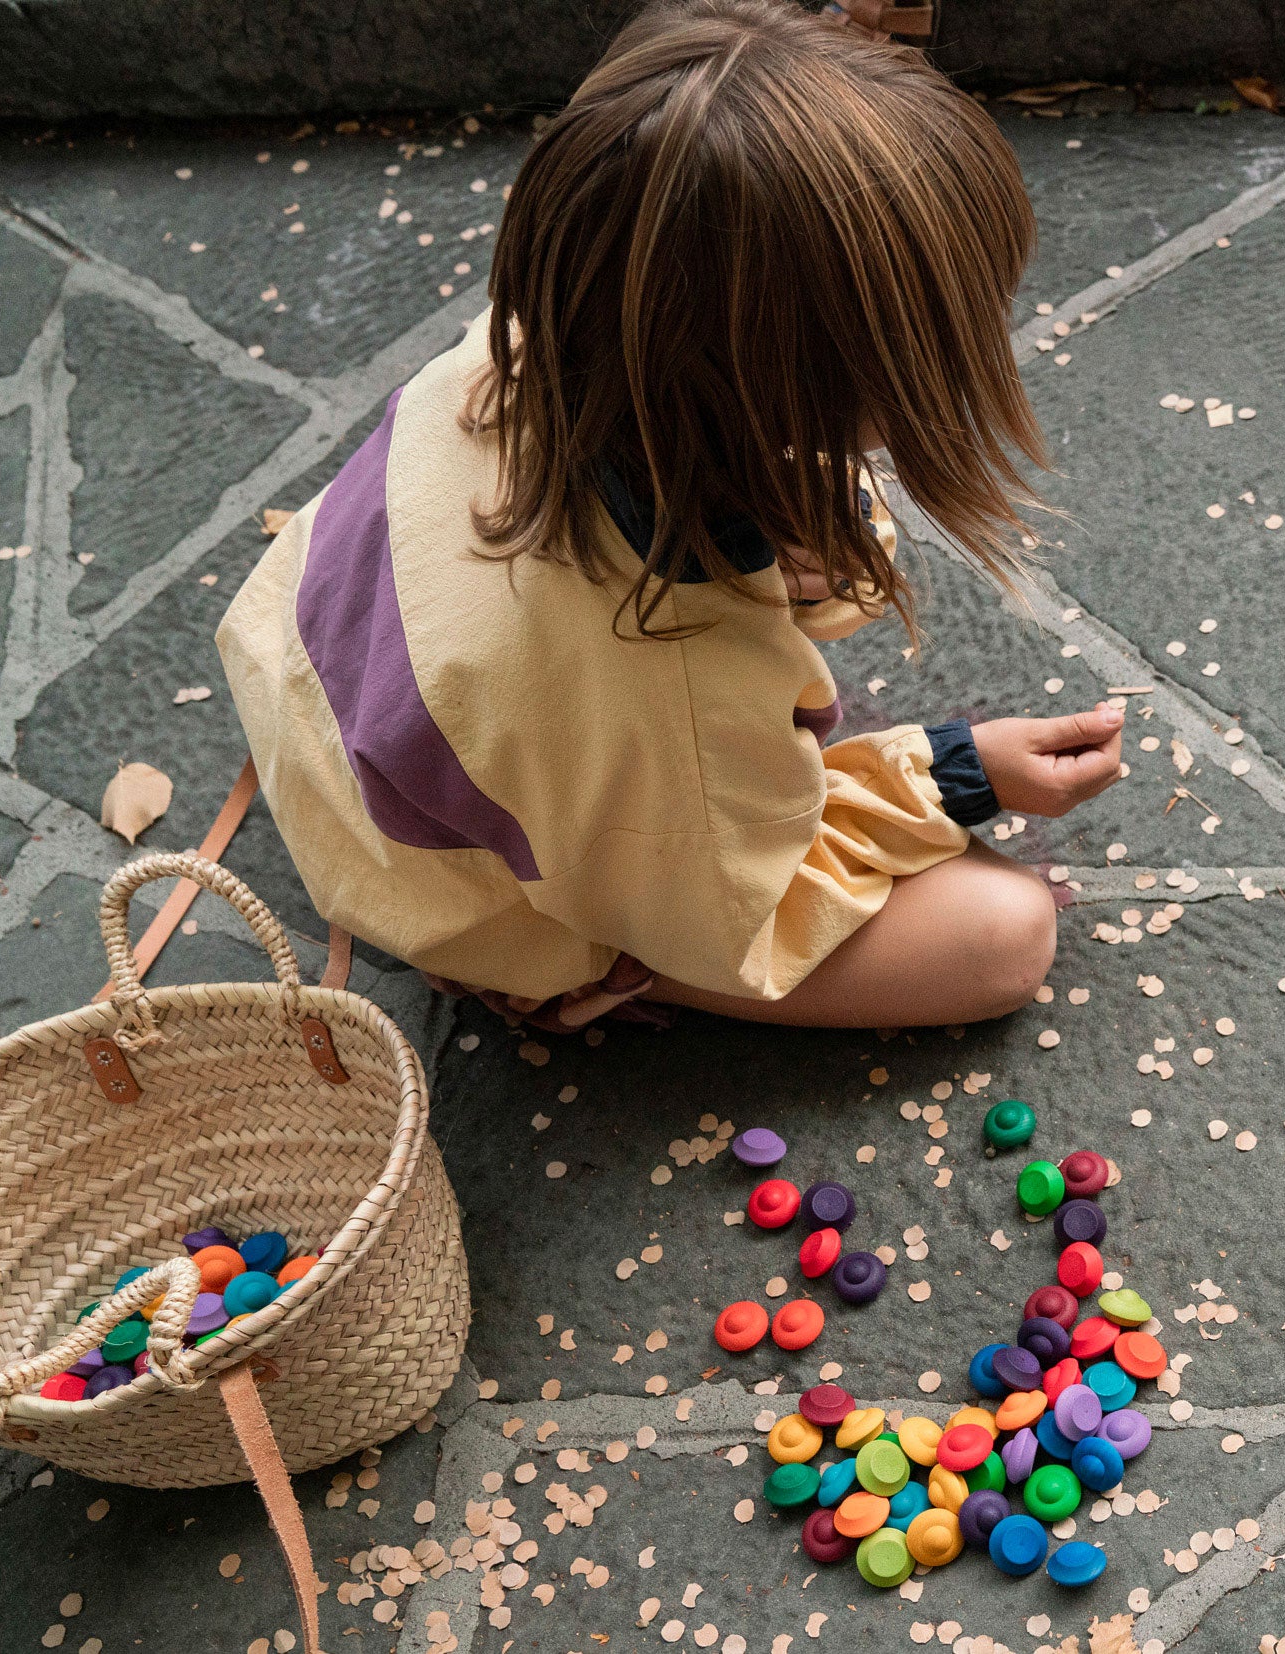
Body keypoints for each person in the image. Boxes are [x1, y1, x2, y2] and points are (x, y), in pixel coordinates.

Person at [217, 0, 1123, 1035]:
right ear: (799, 389)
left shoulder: (546, 328)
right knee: (1002, 932)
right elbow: (731, 910)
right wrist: (950, 772)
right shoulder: (664, 670)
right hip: (441, 882)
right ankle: (544, 978)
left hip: (314, 678)